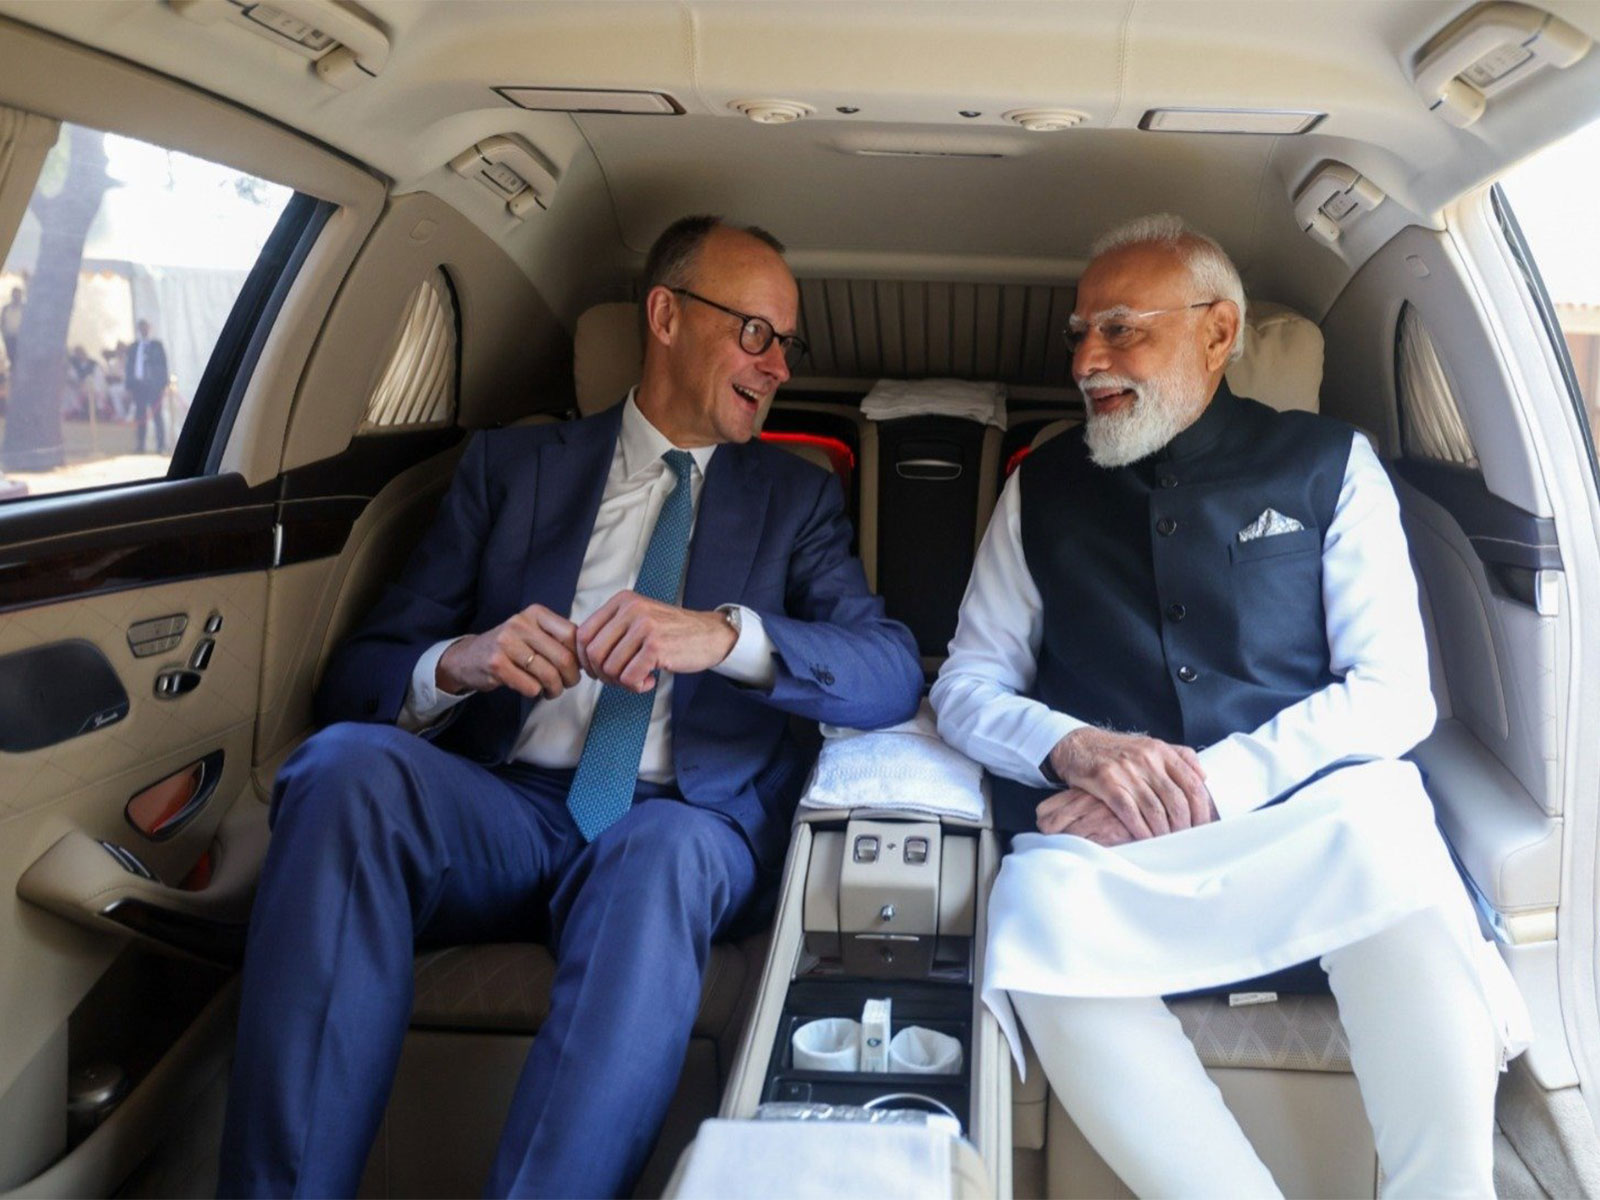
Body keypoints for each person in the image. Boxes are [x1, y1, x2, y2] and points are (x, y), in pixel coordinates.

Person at [218, 215, 923, 1199]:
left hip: (681, 818)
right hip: (501, 803)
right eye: (753, 333)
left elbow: (889, 669)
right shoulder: (511, 469)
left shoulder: (792, 499)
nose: (775, 367)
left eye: (784, 342)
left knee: (657, 853)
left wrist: (723, 635)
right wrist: (461, 662)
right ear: (667, 316)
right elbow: (359, 675)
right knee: (341, 769)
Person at [930, 213, 1528, 1198]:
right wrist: (1076, 749)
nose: (1087, 358)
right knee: (1030, 914)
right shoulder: (1040, 492)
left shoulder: (1328, 466)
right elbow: (965, 685)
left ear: (1217, 332)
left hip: (1301, 820)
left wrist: (1216, 782)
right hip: (1115, 846)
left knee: (1390, 835)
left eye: (1120, 329)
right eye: (1080, 332)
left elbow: (1392, 694)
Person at [127, 318, 168, 452]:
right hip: (139, 386)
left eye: (145, 327)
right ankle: (140, 445)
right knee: (140, 416)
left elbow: (163, 365)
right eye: (141, 327)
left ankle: (161, 445)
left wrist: (163, 383)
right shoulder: (134, 347)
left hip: (154, 386)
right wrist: (129, 385)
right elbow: (130, 366)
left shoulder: (157, 345)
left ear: (149, 328)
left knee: (157, 415)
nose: (143, 330)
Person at [1, 286, 23, 371]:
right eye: (15, 295)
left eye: (18, 295)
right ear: (12, 296)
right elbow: (2, 322)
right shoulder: (6, 308)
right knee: (11, 358)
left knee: (20, 359)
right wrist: (4, 334)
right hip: (9, 337)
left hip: (21, 338)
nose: (17, 297)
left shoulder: (25, 308)